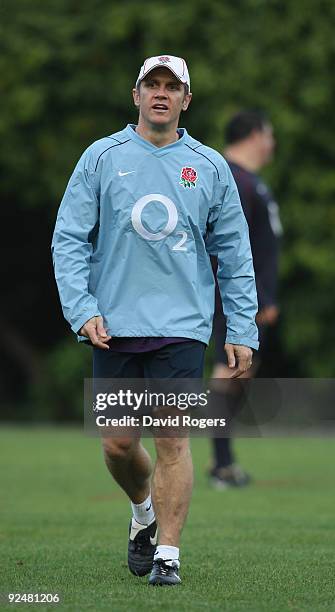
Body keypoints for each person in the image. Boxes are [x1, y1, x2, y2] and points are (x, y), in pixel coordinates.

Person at [51, 55, 259, 586]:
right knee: (118, 445)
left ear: (186, 100)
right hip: (113, 324)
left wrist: (241, 328)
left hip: (182, 326)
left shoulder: (209, 167)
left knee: (172, 438)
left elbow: (235, 254)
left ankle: (168, 554)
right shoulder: (101, 157)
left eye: (173, 87)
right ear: (137, 95)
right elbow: (69, 238)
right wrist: (82, 309)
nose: (161, 94)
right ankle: (142, 513)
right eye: (153, 85)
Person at [209, 110, 283, 489]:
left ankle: (221, 460)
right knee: (230, 371)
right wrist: (246, 299)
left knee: (241, 373)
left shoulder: (251, 181)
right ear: (255, 135)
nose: (272, 143)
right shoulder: (233, 180)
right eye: (268, 135)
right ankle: (221, 465)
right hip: (235, 298)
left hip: (254, 299)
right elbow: (226, 248)